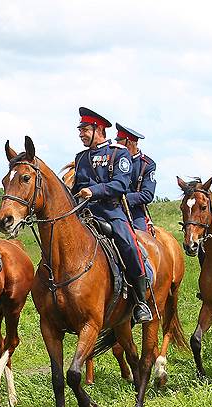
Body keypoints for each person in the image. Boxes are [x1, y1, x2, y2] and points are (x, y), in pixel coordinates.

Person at [72, 108, 152, 322]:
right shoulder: (80, 158)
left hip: (110, 212)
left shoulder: (119, 153)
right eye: (80, 130)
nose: (81, 134)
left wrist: (94, 191)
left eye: (85, 129)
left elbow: (121, 184)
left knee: (129, 244)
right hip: (85, 213)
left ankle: (141, 300)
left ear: (99, 129)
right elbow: (76, 188)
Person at [115, 124, 156, 232]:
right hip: (113, 208)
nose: (116, 146)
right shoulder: (114, 159)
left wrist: (124, 199)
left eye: (119, 142)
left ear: (128, 143)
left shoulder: (146, 165)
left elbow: (147, 195)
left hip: (134, 212)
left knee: (141, 238)